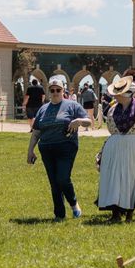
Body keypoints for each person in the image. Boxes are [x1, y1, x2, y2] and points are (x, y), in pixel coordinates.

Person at [26, 74, 89, 220]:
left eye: (58, 90)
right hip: (46, 148)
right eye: (52, 90)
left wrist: (78, 120)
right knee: (54, 183)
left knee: (62, 178)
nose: (55, 93)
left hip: (66, 146)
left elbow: (88, 121)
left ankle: (74, 205)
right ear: (49, 91)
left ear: (63, 91)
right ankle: (59, 215)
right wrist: (30, 150)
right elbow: (36, 132)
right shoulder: (43, 109)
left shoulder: (72, 105)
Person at [97, 76, 135, 222]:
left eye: (117, 94)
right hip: (117, 148)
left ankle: (129, 213)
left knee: (133, 179)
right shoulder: (112, 110)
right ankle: (116, 213)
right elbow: (111, 129)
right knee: (115, 179)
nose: (115, 97)